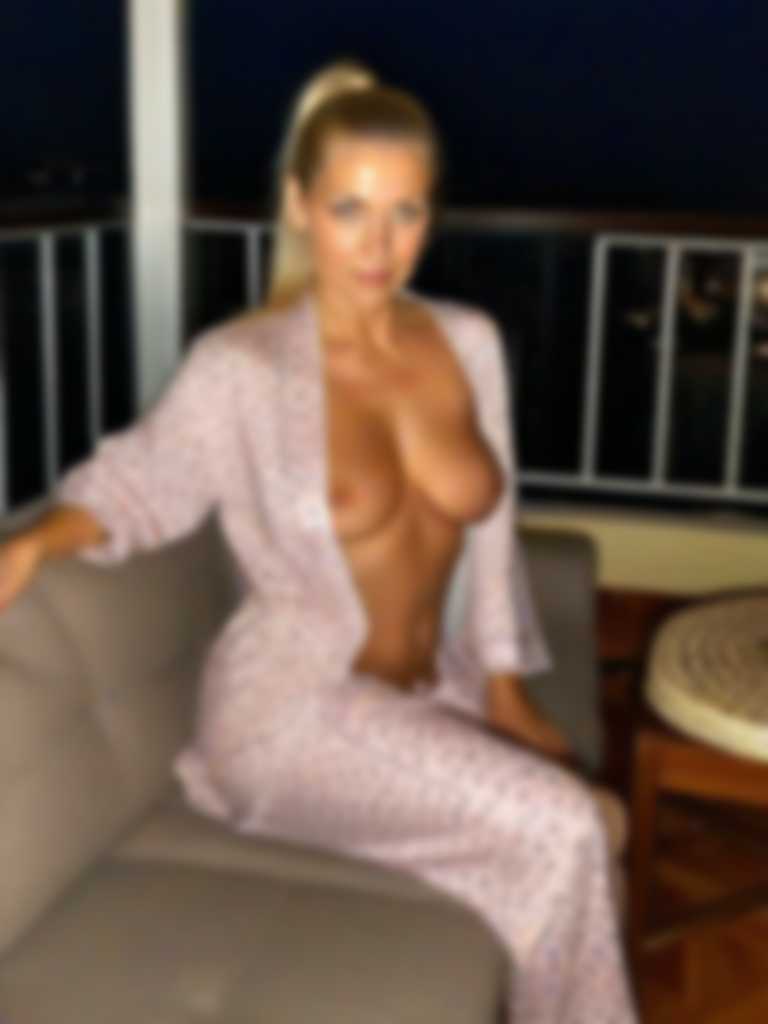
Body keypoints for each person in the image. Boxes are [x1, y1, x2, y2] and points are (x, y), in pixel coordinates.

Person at [0, 59, 637, 1022]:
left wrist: (503, 689)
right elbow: (143, 483)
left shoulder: (466, 342)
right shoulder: (243, 368)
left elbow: (492, 528)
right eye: (350, 210)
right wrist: (37, 542)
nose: (380, 245)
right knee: (567, 830)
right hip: (291, 714)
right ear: (300, 206)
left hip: (429, 694)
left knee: (601, 826)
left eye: (406, 212)